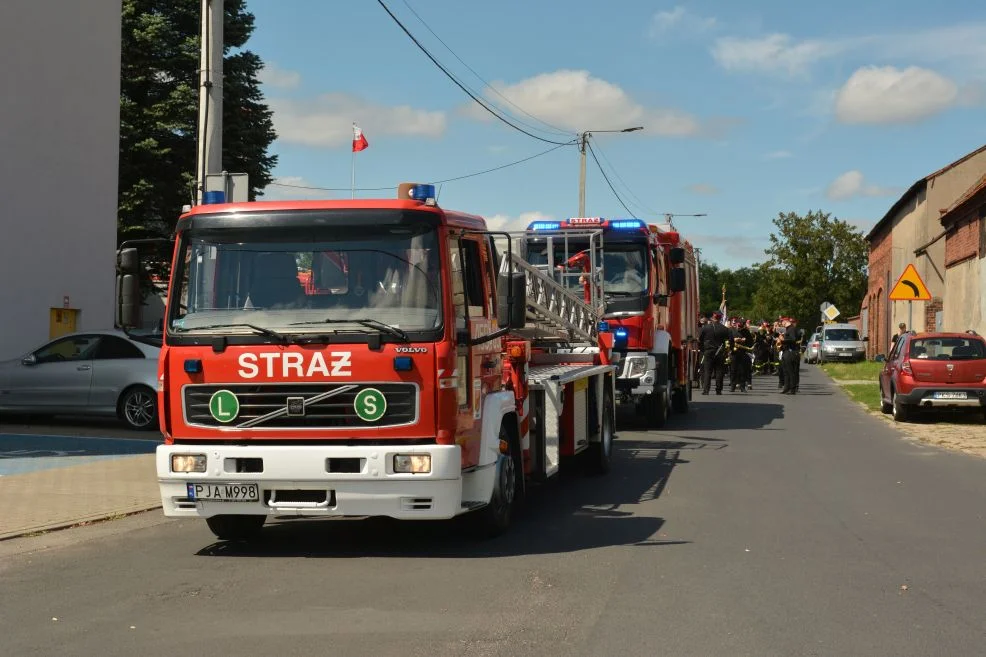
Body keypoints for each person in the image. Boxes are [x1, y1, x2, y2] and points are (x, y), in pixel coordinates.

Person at [698, 311, 731, 395]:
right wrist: (728, 350)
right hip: (720, 351)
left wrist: (703, 349)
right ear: (720, 319)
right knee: (719, 371)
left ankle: (706, 390)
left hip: (708, 351)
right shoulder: (725, 329)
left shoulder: (705, 328)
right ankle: (718, 390)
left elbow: (700, 340)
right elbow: (731, 340)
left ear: (713, 318)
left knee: (707, 371)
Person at [780, 317, 801, 394]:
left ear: (785, 321)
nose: (781, 323)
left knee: (791, 371)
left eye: (781, 322)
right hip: (786, 351)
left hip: (791, 352)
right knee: (785, 371)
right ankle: (786, 387)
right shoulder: (788, 329)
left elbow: (793, 339)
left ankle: (792, 389)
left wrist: (783, 340)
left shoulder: (791, 329)